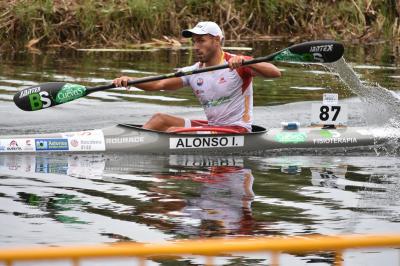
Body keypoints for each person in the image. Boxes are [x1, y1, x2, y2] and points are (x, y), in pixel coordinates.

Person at [113, 21, 281, 133]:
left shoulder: (237, 64)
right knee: (160, 120)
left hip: (237, 130)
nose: (196, 46)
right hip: (214, 128)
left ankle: (133, 147)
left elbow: (275, 73)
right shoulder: (193, 72)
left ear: (216, 40)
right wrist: (131, 81)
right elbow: (160, 84)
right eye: (194, 42)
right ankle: (133, 143)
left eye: (201, 41)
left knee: (171, 131)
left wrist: (246, 62)